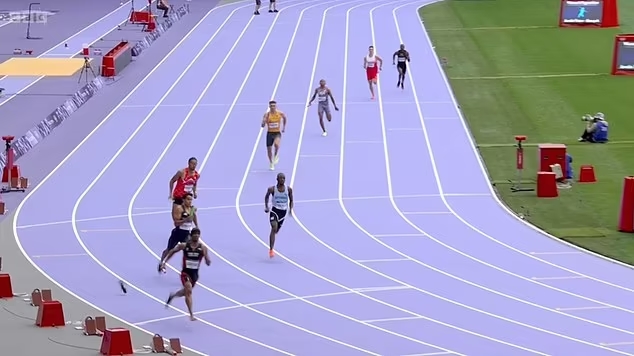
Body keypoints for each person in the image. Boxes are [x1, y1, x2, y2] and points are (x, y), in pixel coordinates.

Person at [162, 228, 210, 321]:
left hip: (195, 274)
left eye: (198, 234)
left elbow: (207, 260)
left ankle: (174, 295)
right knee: (188, 289)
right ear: (191, 236)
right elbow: (172, 251)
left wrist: (208, 261)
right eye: (194, 234)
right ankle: (191, 314)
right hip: (185, 272)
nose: (196, 236)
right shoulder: (184, 246)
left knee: (186, 292)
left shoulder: (203, 248)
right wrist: (165, 262)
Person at [158, 193, 198, 273]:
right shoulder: (179, 209)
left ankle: (187, 270)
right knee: (169, 249)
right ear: (183, 200)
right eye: (188, 199)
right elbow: (176, 223)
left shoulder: (192, 209)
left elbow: (194, 217)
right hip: (177, 233)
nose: (190, 201)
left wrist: (197, 226)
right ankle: (162, 262)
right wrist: (185, 220)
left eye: (191, 199)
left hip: (186, 234)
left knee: (189, 251)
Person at [264, 173, 293, 258]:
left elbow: (291, 200)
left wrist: (290, 209)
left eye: (284, 178)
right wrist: (266, 206)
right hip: (275, 211)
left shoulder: (289, 189)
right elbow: (266, 197)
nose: (282, 180)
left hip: (283, 213)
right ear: (277, 179)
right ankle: (271, 250)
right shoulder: (272, 189)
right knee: (274, 228)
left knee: (276, 231)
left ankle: (273, 237)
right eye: (280, 178)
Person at [261, 101, 287, 170]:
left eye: (274, 106)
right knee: (269, 150)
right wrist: (263, 122)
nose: (272, 107)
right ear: (269, 107)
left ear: (276, 106)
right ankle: (271, 163)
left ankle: (276, 155)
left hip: (277, 132)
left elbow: (285, 118)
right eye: (271, 106)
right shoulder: (267, 115)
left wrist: (284, 127)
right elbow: (262, 125)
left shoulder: (280, 113)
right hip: (269, 133)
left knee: (276, 145)